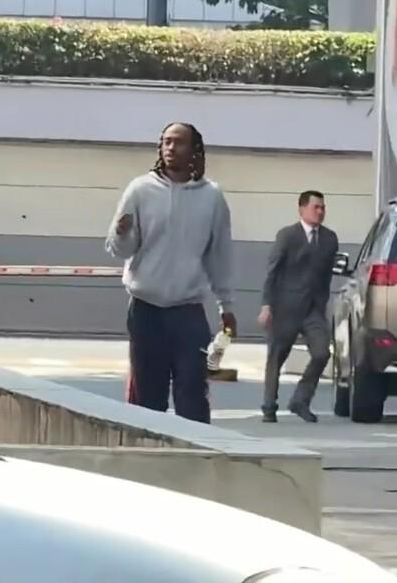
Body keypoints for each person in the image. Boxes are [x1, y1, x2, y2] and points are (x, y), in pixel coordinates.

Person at [105, 122, 236, 424]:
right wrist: (121, 234)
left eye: (178, 142)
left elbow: (220, 255)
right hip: (145, 311)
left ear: (194, 150)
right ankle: (146, 447)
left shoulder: (211, 196)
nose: (171, 148)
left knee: (192, 392)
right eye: (166, 142)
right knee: (148, 396)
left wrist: (226, 306)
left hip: (188, 312)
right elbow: (120, 249)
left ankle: (196, 447)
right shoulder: (140, 190)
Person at [258, 190, 339, 423]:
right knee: (276, 357)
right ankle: (269, 406)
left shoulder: (329, 239)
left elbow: (326, 274)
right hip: (285, 307)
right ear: (302, 209)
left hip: (313, 309)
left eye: (323, 207)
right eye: (316, 207)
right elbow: (272, 272)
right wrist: (266, 305)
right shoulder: (287, 236)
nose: (320, 212)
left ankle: (300, 400)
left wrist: (322, 302)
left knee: (322, 353)